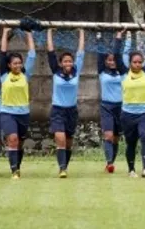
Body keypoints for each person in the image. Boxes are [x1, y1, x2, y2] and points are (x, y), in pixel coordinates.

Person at [47, 28, 85, 178]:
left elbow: (81, 52)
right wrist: (49, 32)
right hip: (58, 111)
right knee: (60, 139)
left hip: (72, 111)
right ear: (61, 63)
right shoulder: (56, 71)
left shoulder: (76, 70)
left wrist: (81, 33)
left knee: (68, 142)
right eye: (65, 61)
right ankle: (62, 168)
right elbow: (50, 52)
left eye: (70, 61)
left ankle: (65, 166)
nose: (68, 63)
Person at [0, 27, 36, 180]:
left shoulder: (25, 75)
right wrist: (5, 33)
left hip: (23, 113)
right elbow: (2, 54)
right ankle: (14, 171)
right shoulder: (3, 75)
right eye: (14, 63)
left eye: (19, 63)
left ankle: (17, 166)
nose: (18, 66)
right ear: (9, 65)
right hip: (7, 113)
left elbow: (32, 55)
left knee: (19, 142)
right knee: (12, 139)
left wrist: (29, 34)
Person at [121, 30, 145, 178]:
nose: (137, 64)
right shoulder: (125, 73)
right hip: (128, 114)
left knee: (144, 137)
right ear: (130, 63)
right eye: (134, 62)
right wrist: (128, 38)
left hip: (144, 113)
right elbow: (124, 54)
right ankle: (131, 170)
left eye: (140, 62)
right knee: (131, 143)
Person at [98, 30, 128, 173]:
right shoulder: (102, 72)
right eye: (109, 60)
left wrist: (120, 38)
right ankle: (109, 163)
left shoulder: (122, 72)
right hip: (106, 107)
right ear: (105, 61)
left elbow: (118, 54)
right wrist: (99, 35)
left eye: (114, 60)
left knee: (116, 138)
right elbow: (99, 53)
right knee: (108, 135)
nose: (112, 62)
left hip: (121, 108)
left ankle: (110, 162)